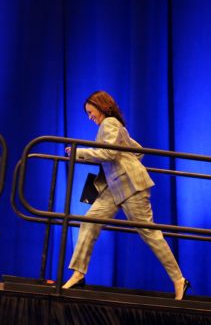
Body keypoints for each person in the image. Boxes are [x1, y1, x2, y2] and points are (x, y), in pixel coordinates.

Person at [63, 90, 190, 300]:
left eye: (90, 111)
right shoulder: (114, 127)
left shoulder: (109, 123)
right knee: (88, 221)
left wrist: (79, 152)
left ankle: (179, 280)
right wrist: (125, 163)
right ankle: (78, 274)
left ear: (100, 105)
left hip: (131, 188)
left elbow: (109, 153)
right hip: (114, 188)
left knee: (150, 234)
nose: (89, 117)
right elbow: (137, 150)